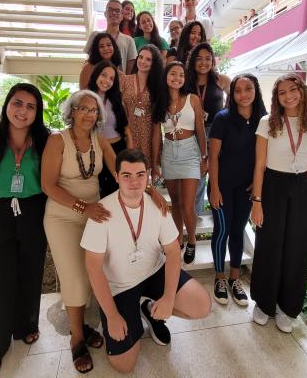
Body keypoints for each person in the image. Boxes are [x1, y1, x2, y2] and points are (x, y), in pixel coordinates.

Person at [41, 90, 167, 373]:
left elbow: (122, 168)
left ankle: (92, 325)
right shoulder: (56, 140)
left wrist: (149, 189)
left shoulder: (99, 140)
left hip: (94, 213)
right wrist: (82, 207)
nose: (89, 114)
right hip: (63, 216)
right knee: (74, 277)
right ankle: (76, 338)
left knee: (94, 272)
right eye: (83, 108)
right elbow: (48, 185)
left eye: (94, 110)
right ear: (72, 112)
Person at [82, 149, 211, 373]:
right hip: (119, 286)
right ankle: (129, 315)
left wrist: (169, 298)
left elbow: (171, 252)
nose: (134, 182)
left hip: (153, 270)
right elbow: (93, 269)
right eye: (127, 175)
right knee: (124, 365)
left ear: (148, 176)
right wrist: (112, 316)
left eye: (140, 175)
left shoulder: (157, 206)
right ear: (116, 176)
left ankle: (149, 307)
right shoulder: (102, 212)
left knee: (201, 305)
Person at [0, 83, 50, 378]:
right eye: (18, 103)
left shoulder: (44, 139)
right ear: (7, 105)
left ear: (37, 112)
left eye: (30, 106)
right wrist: (1, 193)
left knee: (30, 271)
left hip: (33, 210)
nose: (23, 111)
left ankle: (26, 325)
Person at [249, 73, 307, 333]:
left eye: (293, 90)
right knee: (269, 245)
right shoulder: (267, 123)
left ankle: (287, 307)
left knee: (298, 249)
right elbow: (259, 165)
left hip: (302, 187)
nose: (289, 96)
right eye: (282, 92)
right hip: (273, 187)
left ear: (302, 91)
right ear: (276, 97)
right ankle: (264, 303)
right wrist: (257, 201)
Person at [208, 74, 267, 307]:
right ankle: (219, 278)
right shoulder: (223, 119)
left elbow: (265, 155)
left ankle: (234, 278)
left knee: (237, 230)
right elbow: (213, 157)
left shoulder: (264, 120)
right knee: (222, 230)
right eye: (238, 90)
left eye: (248, 89)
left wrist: (258, 182)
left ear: (256, 91)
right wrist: (213, 188)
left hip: (246, 188)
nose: (243, 94)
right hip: (222, 186)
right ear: (231, 94)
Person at [151, 62, 207, 264]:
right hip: (169, 153)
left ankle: (191, 240)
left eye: (181, 74)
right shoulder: (159, 102)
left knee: (187, 205)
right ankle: (178, 239)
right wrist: (155, 162)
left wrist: (204, 157)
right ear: (166, 76)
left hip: (190, 151)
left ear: (185, 78)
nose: (177, 77)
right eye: (172, 73)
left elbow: (200, 128)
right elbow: (157, 134)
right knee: (175, 203)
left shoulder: (193, 99)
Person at [185, 42, 231, 216]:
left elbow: (235, 101)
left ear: (213, 61)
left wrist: (226, 114)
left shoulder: (222, 80)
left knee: (217, 172)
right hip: (192, 133)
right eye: (199, 58)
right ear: (192, 61)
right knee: (197, 175)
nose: (203, 62)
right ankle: (194, 217)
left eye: (207, 58)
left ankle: (218, 213)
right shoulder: (186, 82)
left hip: (216, 133)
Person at [87, 61, 133, 197]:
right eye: (104, 75)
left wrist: (130, 154)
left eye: (111, 78)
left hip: (118, 148)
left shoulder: (117, 99)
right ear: (96, 75)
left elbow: (126, 129)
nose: (107, 80)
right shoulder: (85, 97)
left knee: (118, 189)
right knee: (98, 191)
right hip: (95, 150)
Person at [120, 44, 163, 165]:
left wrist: (155, 163)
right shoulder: (124, 80)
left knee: (146, 180)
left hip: (148, 140)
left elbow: (157, 124)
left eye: (148, 59)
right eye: (141, 57)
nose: (143, 61)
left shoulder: (157, 87)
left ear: (154, 64)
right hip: (127, 136)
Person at [84, 0, 137, 73]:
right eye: (110, 10)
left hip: (119, 83)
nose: (114, 13)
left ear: (122, 16)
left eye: (118, 11)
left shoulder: (129, 40)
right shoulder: (95, 35)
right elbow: (88, 63)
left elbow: (129, 73)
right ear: (105, 14)